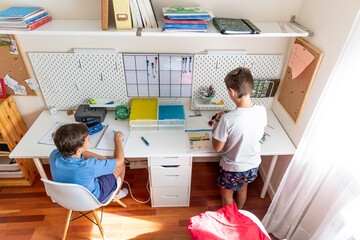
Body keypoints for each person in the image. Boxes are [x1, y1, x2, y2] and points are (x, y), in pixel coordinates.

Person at [212, 67, 267, 209]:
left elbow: (217, 147)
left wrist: (217, 123)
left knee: (226, 192)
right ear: (251, 88)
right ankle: (239, 212)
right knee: (243, 188)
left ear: (232, 91)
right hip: (253, 165)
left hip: (233, 167)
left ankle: (231, 217)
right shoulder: (262, 110)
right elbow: (259, 134)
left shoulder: (227, 119)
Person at [49, 123, 128, 203]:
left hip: (67, 198)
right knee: (121, 166)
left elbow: (82, 153)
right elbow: (120, 161)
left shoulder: (54, 154)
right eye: (89, 140)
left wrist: (103, 159)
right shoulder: (90, 166)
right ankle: (117, 193)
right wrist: (118, 140)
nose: (90, 142)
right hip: (93, 198)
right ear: (78, 151)